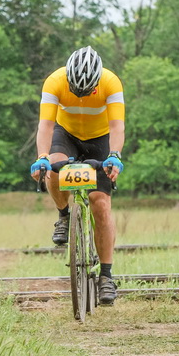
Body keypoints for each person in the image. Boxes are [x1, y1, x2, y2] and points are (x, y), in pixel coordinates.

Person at [30, 46, 125, 306]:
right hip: (67, 135)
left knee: (100, 203)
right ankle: (64, 215)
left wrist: (115, 155)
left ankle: (106, 275)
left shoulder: (111, 82)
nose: (80, 94)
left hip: (100, 139)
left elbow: (117, 125)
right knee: (52, 168)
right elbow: (45, 125)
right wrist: (41, 157)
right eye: (75, 89)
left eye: (86, 91)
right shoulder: (54, 81)